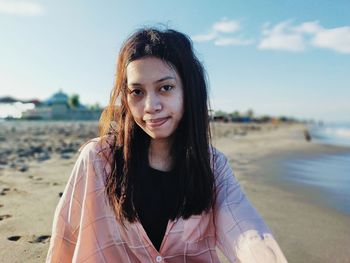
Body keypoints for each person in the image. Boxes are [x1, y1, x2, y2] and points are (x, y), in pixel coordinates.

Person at [46, 28, 288, 263]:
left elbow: (246, 232)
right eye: (137, 92)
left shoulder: (213, 166)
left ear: (189, 91)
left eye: (166, 88)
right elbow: (66, 236)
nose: (151, 105)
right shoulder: (98, 159)